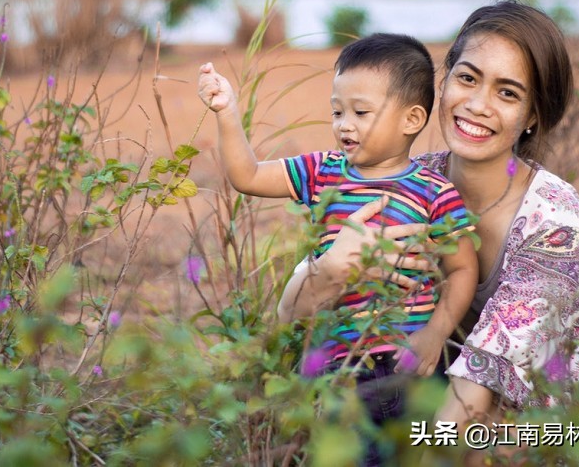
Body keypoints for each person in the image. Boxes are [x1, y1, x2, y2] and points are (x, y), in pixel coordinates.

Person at [278, 0, 579, 464]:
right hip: (469, 404)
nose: (477, 105)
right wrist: (330, 271)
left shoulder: (552, 220)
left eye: (507, 93)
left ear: (532, 116)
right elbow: (290, 315)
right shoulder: (410, 183)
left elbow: (474, 392)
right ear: (441, 85)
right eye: (467, 78)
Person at [198, 33, 478, 461]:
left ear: (411, 118)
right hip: (341, 371)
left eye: (361, 112)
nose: (344, 124)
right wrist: (227, 113)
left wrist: (436, 331)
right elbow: (248, 176)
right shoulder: (323, 172)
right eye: (337, 111)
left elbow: (462, 269)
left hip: (412, 365)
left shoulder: (435, 193)